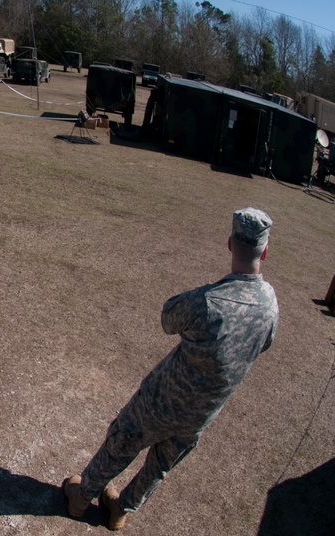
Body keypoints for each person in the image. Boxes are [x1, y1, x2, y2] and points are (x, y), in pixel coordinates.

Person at [63, 207, 279, 531]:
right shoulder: (270, 304)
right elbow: (264, 343)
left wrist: (208, 294)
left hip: (162, 400)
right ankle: (121, 510)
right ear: (265, 251)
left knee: (124, 439)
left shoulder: (208, 301)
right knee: (161, 464)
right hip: (202, 413)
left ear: (230, 244)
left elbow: (168, 319)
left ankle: (81, 497)